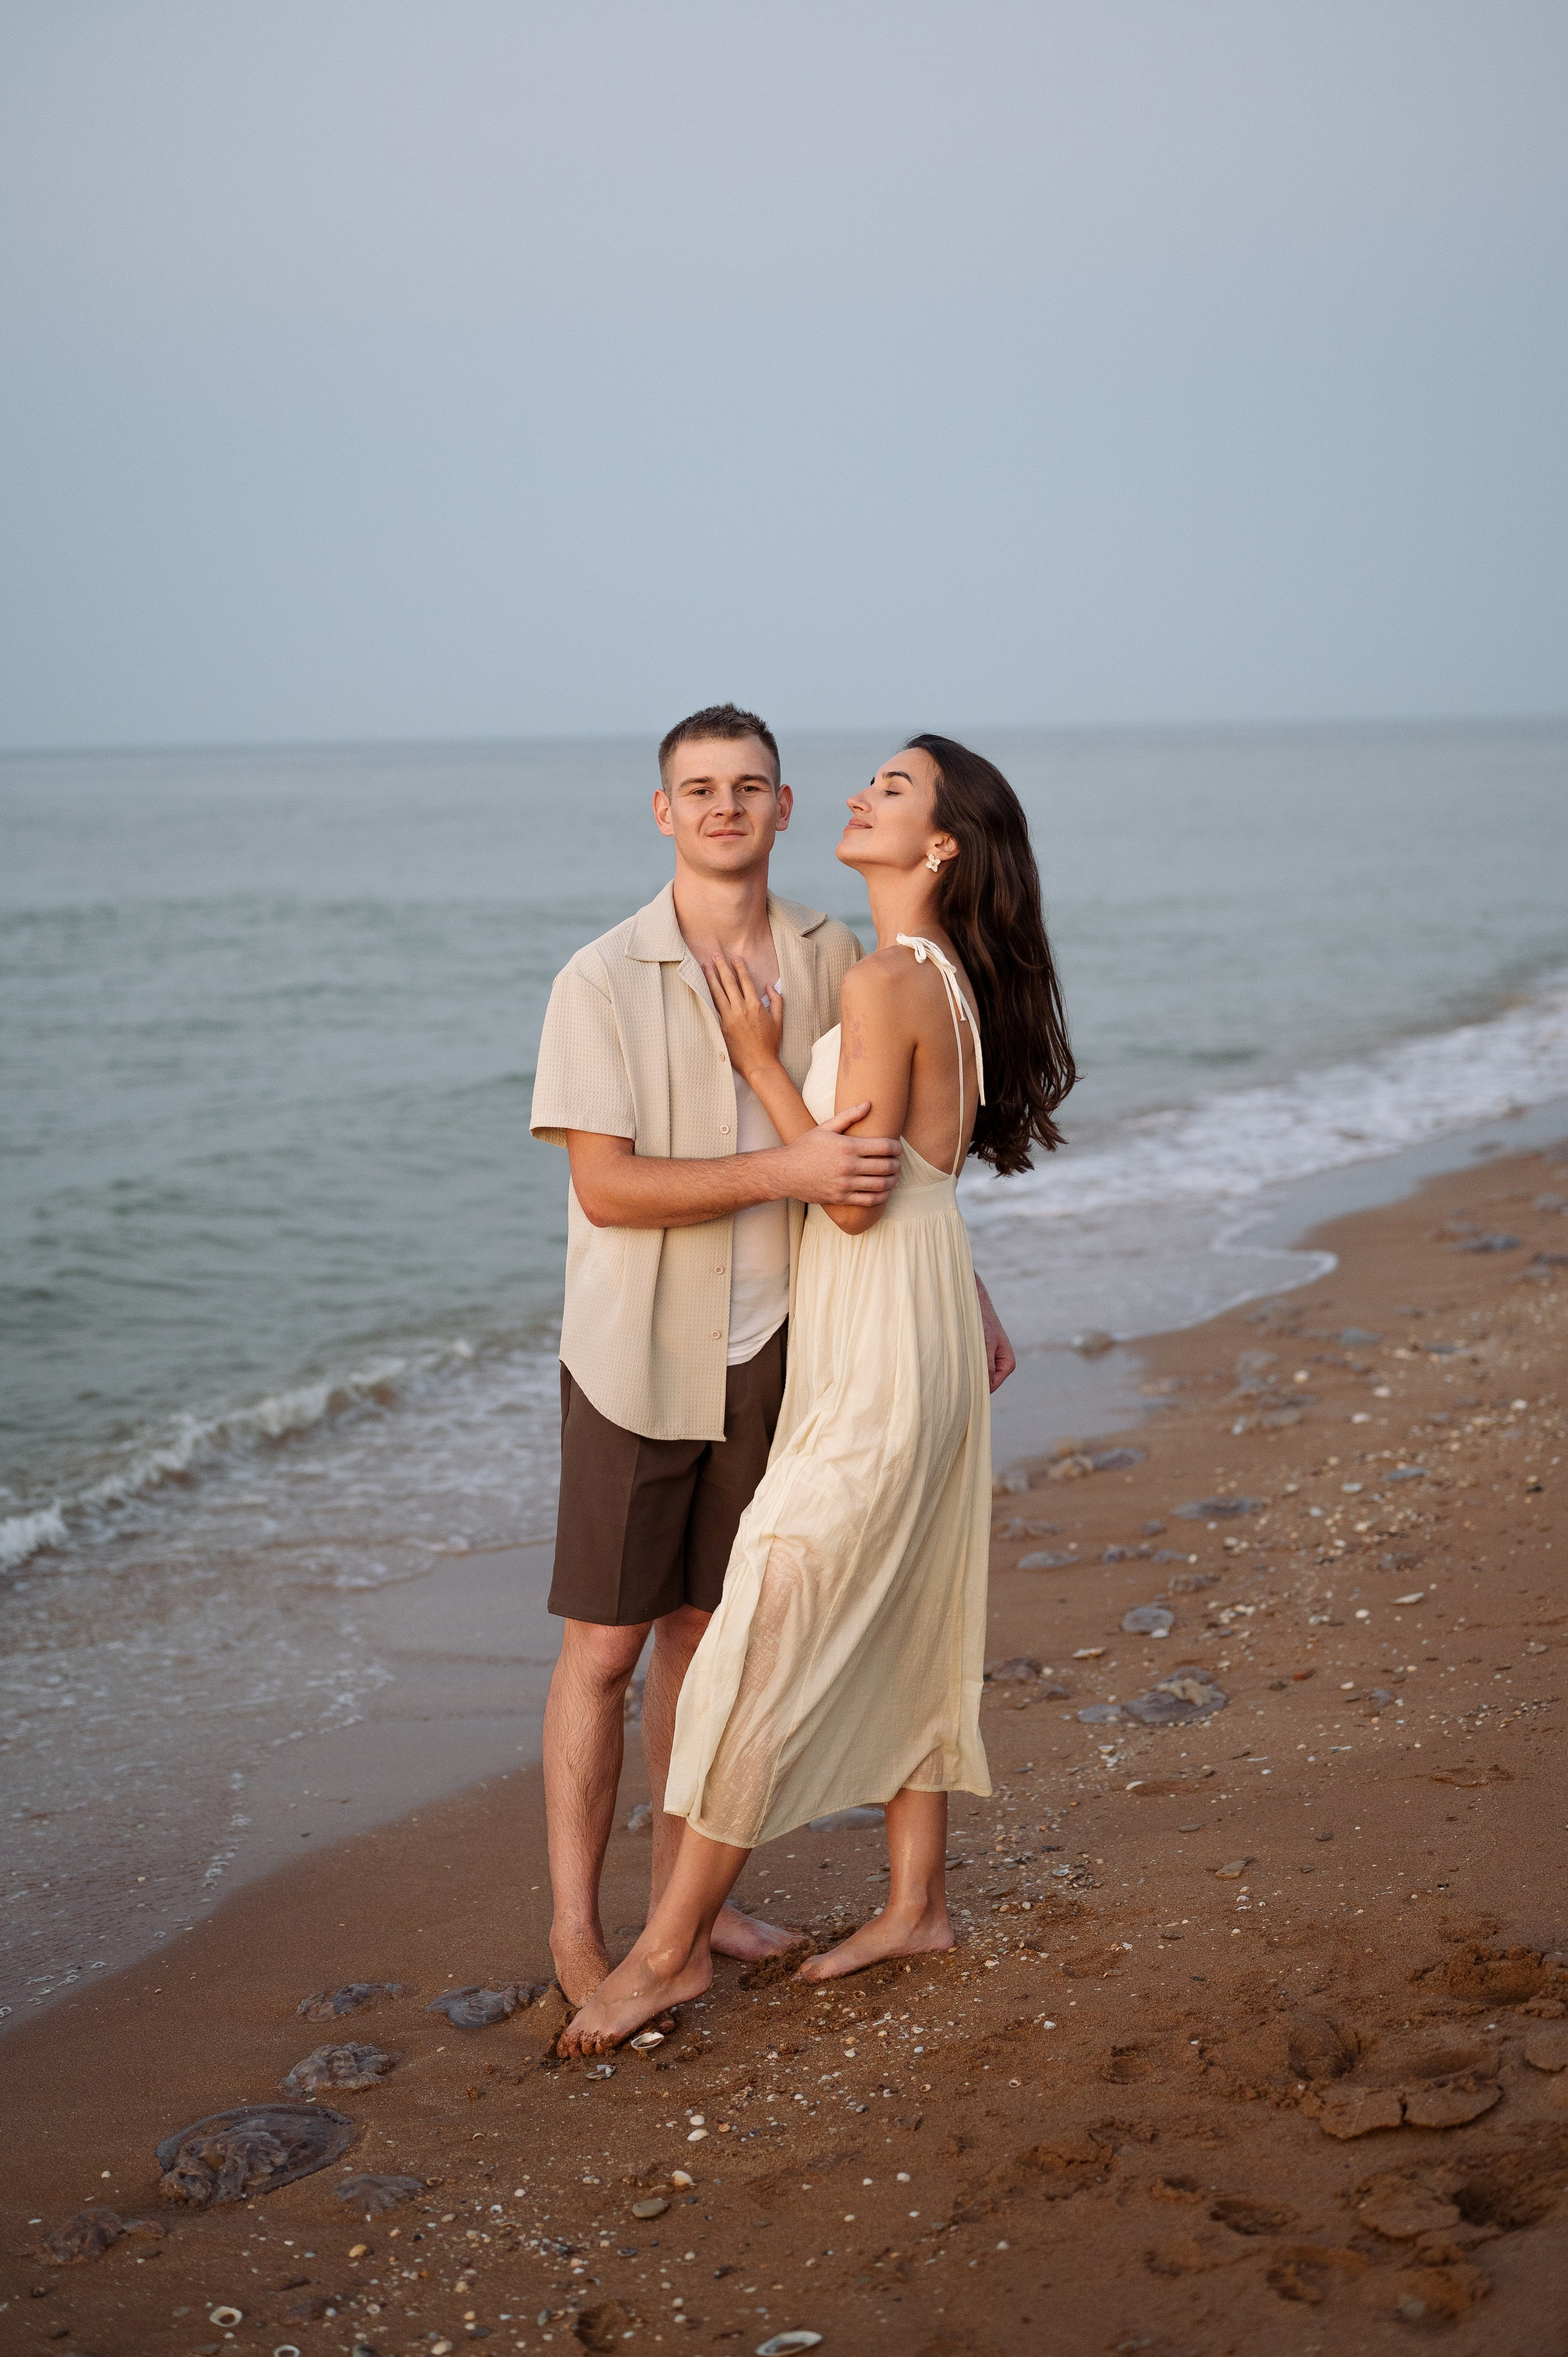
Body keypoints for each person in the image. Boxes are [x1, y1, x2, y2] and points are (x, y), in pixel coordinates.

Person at [559, 733, 1074, 2053]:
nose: (860, 797)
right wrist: (967, 1296)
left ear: (942, 846)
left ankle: (667, 1949)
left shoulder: (884, 972)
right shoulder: (929, 974)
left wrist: (753, 1058)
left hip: (875, 1345)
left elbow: (845, 1194)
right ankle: (914, 1903)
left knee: (752, 1637)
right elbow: (914, 1173)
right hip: (914, 1322)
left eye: (890, 790)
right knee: (904, 1603)